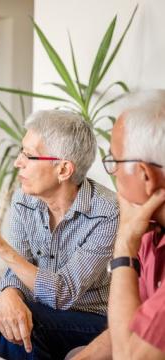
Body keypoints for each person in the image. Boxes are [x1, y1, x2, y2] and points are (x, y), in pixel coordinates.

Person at [0, 110, 119, 359]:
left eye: (29, 155)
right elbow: (20, 267)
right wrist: (8, 294)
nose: (17, 162)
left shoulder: (107, 212)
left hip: (90, 318)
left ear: (64, 169)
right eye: (21, 152)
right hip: (41, 309)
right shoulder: (25, 198)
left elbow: (62, 294)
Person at [71, 90, 165, 360]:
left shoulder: (132, 234)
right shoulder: (150, 232)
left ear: (145, 175)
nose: (112, 174)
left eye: (114, 161)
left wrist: (124, 245)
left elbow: (129, 356)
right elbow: (136, 324)